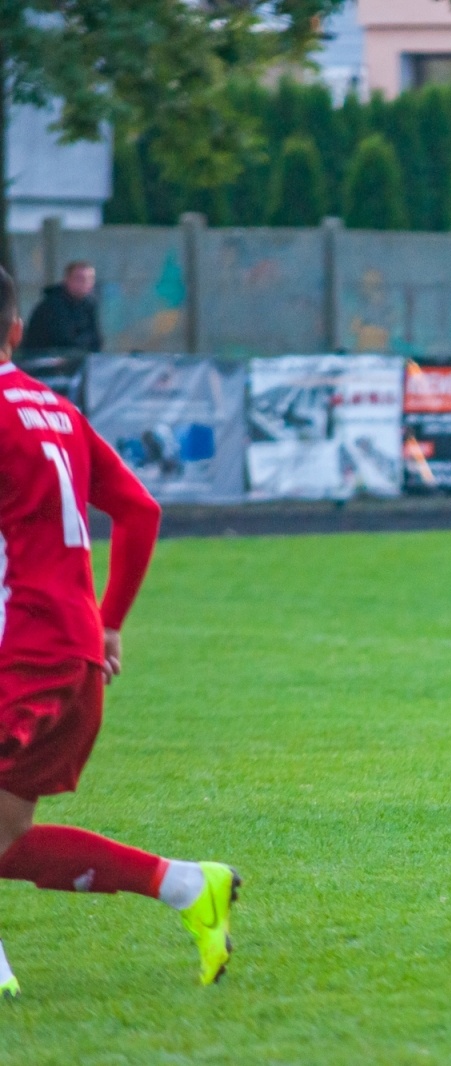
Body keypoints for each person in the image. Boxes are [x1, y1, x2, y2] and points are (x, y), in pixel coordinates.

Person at [0, 265, 237, 998]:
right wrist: (108, 624)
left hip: (20, 651)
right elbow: (140, 510)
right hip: (69, 651)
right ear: (17, 330)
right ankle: (186, 885)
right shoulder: (55, 410)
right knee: (5, 837)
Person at [20, 261, 102, 355]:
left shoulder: (89, 305)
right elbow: (64, 341)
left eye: (90, 278)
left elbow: (96, 340)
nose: (85, 283)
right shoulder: (52, 305)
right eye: (79, 278)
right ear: (67, 279)